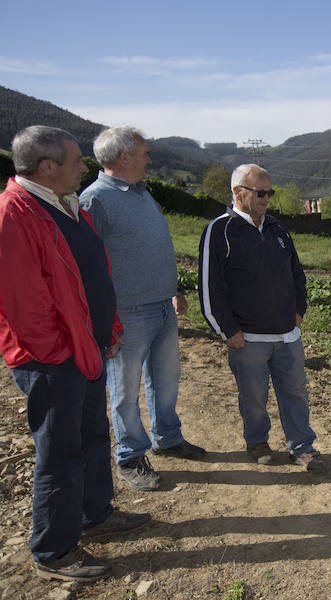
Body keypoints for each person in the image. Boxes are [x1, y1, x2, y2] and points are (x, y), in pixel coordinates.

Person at [0, 126, 150, 582]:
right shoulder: (14, 213)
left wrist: (108, 328)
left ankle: (95, 514)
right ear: (48, 167)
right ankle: (54, 551)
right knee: (60, 453)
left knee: (92, 435)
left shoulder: (66, 204)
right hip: (52, 361)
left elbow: (93, 272)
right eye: (76, 160)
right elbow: (23, 303)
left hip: (86, 348)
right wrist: (62, 353)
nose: (84, 167)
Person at [80, 126, 205, 491]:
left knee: (166, 379)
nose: (149, 159)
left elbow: (154, 248)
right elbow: (88, 266)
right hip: (127, 313)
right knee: (124, 389)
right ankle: (130, 456)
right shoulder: (95, 200)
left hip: (162, 306)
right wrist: (105, 320)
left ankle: (168, 437)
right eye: (145, 153)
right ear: (124, 158)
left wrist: (174, 290)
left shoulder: (141, 193)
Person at [198, 164, 324, 471]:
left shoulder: (278, 229)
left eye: (270, 192)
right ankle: (257, 442)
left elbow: (297, 275)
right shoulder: (220, 231)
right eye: (260, 193)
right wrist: (227, 330)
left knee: (296, 394)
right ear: (237, 192)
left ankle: (302, 447)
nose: (267, 198)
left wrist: (298, 311)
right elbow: (210, 286)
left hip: (287, 336)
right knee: (254, 398)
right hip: (248, 338)